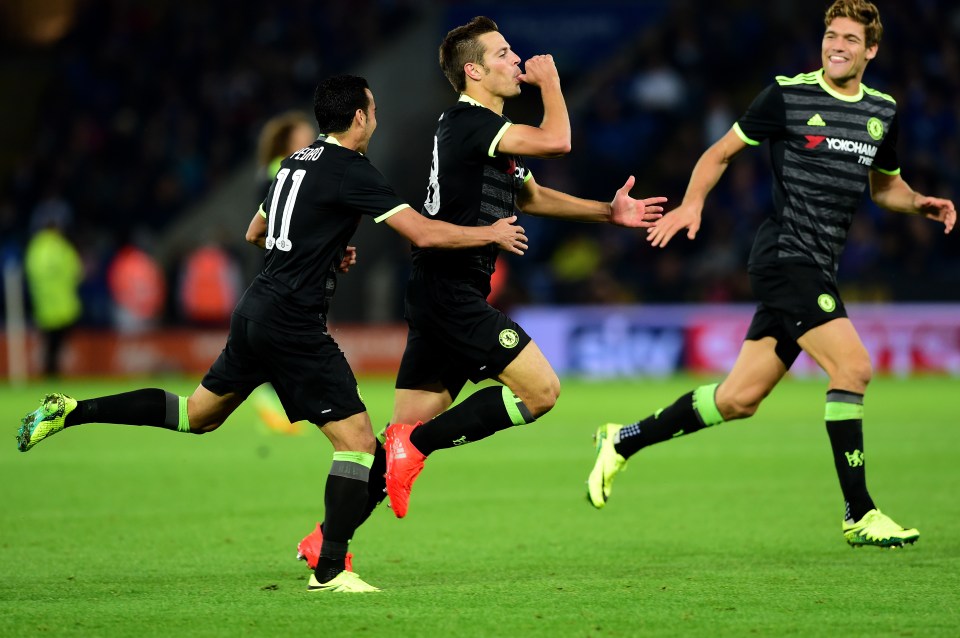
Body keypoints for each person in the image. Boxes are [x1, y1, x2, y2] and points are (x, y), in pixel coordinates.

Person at [16, 74, 528, 593]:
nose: (375, 118)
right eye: (372, 110)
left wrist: (325, 249)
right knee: (357, 444)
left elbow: (256, 232)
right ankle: (329, 570)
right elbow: (421, 231)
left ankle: (74, 410)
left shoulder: (293, 163)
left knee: (194, 415)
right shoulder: (353, 171)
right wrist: (490, 232)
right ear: (358, 118)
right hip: (293, 323)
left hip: (255, 312)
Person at [586, 0, 956, 549]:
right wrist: (692, 206)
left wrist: (919, 201)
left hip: (817, 266)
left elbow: (884, 187)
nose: (836, 45)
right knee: (853, 367)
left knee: (738, 399)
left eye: (850, 39)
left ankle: (624, 439)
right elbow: (718, 154)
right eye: (831, 35)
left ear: (871, 50)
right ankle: (861, 511)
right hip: (786, 258)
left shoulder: (883, 111)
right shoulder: (787, 95)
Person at [382, 16, 667, 519]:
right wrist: (553, 83)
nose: (516, 60)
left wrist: (608, 211)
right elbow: (558, 141)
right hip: (450, 293)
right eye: (503, 54)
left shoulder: (490, 135)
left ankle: (328, 541)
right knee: (541, 391)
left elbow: (532, 196)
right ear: (473, 71)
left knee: (392, 446)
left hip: (440, 292)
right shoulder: (470, 123)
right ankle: (421, 445)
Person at [249, 111, 318, 436]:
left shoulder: (272, 170)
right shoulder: (285, 169)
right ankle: (268, 395)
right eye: (305, 135)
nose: (313, 140)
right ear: (289, 142)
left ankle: (274, 393)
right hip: (287, 267)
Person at [24, 213, 83, 377]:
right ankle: (52, 373)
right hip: (64, 305)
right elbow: (77, 272)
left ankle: (49, 373)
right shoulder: (63, 246)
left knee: (49, 343)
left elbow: (30, 274)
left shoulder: (35, 248)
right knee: (57, 344)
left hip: (43, 306)